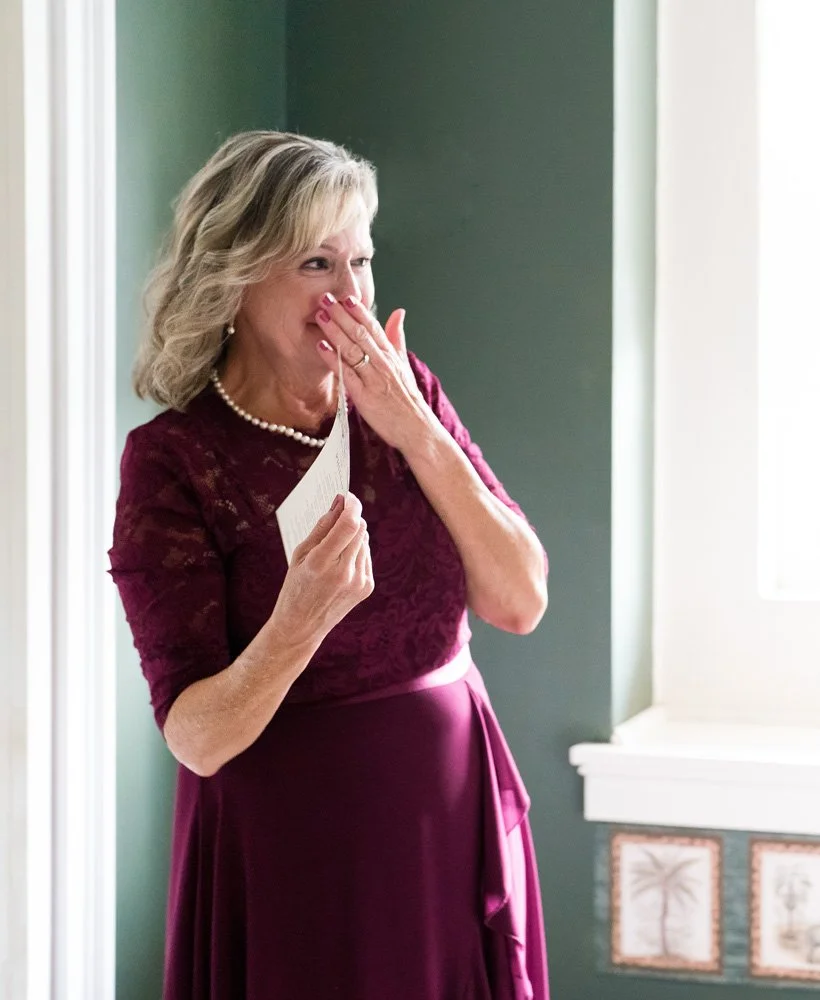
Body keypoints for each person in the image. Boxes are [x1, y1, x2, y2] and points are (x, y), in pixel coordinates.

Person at [110, 130, 550, 999]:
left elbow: (519, 598)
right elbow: (196, 738)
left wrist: (414, 430)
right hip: (291, 840)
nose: (350, 294)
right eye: (316, 264)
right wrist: (301, 616)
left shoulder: (407, 392)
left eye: (362, 260)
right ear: (235, 278)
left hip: (445, 809)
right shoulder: (174, 460)